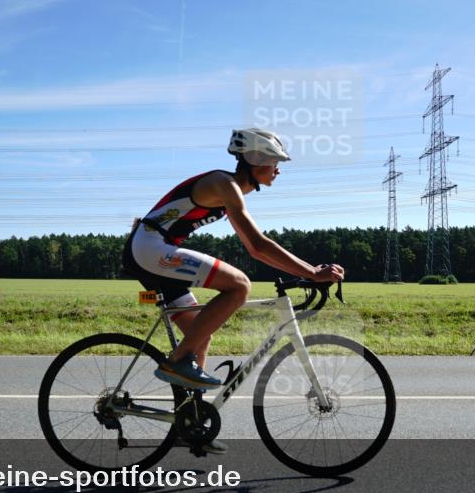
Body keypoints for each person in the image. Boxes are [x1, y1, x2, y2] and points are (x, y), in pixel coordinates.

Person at [122, 127, 345, 392]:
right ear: (256, 161)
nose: (278, 170)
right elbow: (259, 245)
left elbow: (253, 248)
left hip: (149, 250)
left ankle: (189, 419)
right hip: (150, 247)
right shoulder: (224, 185)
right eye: (274, 163)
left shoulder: (228, 191)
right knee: (239, 285)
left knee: (200, 335)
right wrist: (311, 272)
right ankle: (177, 361)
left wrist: (307, 271)